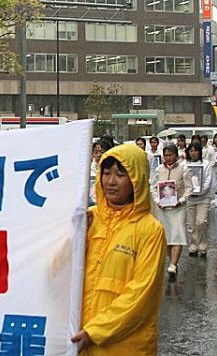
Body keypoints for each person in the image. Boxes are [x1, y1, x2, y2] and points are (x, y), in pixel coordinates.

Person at [72, 143, 166, 355]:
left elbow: (142, 296)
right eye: (106, 173)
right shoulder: (88, 218)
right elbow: (56, 273)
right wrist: (75, 239)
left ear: (137, 179)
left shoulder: (150, 230)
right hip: (81, 342)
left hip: (125, 346)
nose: (111, 181)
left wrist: (94, 331)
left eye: (120, 174)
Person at [151, 144, 193, 276]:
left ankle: (174, 264)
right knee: (167, 236)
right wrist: (158, 201)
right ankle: (172, 261)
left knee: (177, 234)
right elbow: (152, 187)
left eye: (170, 154)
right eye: (166, 155)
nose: (168, 158)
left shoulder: (183, 169)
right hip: (163, 208)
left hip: (178, 208)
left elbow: (189, 188)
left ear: (176, 155)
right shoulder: (158, 169)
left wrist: (180, 201)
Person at [186, 142, 214, 257]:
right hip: (189, 198)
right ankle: (193, 245)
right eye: (191, 151)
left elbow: (208, 181)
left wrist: (200, 191)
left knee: (201, 222)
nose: (193, 153)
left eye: (196, 150)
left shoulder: (206, 164)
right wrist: (189, 192)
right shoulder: (184, 164)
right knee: (191, 224)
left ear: (200, 152)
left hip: (203, 197)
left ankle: (203, 245)